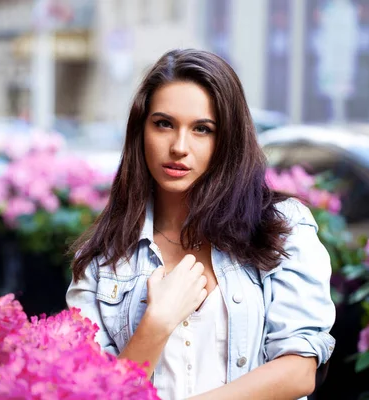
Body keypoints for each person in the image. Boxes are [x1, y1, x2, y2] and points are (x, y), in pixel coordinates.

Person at [66, 49, 336, 400]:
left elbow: (299, 370)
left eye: (202, 129)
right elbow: (96, 394)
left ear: (227, 140)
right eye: (163, 123)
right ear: (140, 130)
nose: (179, 146)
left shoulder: (281, 227)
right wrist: (156, 324)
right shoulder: (103, 258)